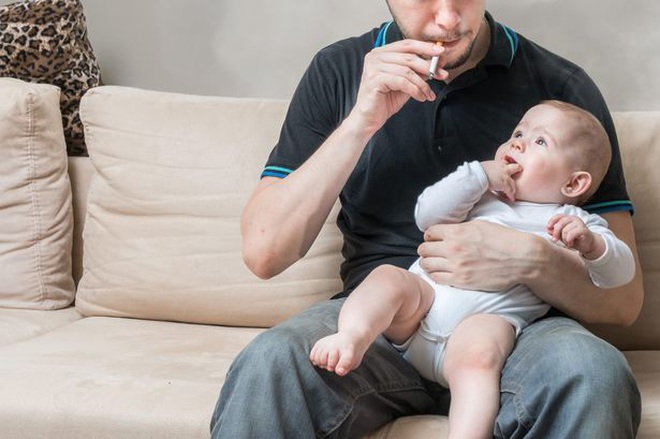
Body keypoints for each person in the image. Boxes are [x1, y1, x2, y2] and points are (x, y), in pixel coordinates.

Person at [211, 2, 643, 437]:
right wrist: (361, 121)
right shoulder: (338, 69)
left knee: (592, 372)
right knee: (272, 361)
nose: (448, 19)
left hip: (512, 328)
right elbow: (265, 253)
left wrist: (531, 261)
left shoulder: (561, 87)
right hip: (387, 318)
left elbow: (623, 302)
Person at [309, 100, 636, 439]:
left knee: (481, 361)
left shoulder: (573, 222)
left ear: (573, 184)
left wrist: (592, 245)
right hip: (419, 309)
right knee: (389, 278)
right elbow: (427, 215)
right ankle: (352, 336)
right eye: (518, 133)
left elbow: (618, 275)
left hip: (481, 325)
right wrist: (477, 175)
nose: (518, 144)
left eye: (540, 141)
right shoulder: (483, 196)